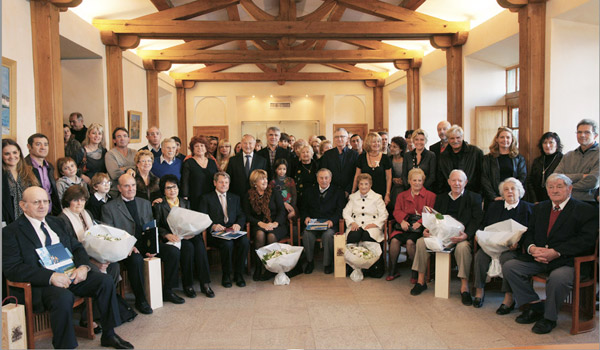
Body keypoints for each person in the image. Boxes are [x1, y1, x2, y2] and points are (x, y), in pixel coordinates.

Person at [3, 186, 132, 349]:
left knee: (104, 281)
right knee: (63, 297)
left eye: (45, 201)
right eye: (36, 202)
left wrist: (83, 267)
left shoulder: (55, 222)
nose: (42, 206)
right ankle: (65, 346)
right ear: (23, 205)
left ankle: (109, 334)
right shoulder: (11, 232)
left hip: (70, 274)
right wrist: (50, 277)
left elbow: (77, 247)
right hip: (41, 284)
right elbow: (12, 268)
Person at [503, 174, 598, 334]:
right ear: (546, 190)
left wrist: (556, 252)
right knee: (510, 266)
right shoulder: (540, 208)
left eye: (559, 186)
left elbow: (586, 241)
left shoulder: (585, 210)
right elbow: (529, 232)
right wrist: (532, 248)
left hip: (569, 260)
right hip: (539, 258)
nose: (555, 190)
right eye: (551, 187)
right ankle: (534, 305)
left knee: (558, 278)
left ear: (570, 189)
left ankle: (549, 318)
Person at [102, 174, 184, 313]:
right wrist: (128, 245)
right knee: (136, 261)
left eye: (133, 185)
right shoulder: (109, 208)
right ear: (119, 188)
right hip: (126, 249)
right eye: (127, 186)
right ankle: (141, 299)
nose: (131, 188)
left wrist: (153, 246)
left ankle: (168, 291)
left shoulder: (144, 203)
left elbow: (152, 227)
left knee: (173, 252)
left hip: (146, 244)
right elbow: (110, 234)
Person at [410, 170, 483, 307]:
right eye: (454, 180)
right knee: (421, 242)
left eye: (460, 181)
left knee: (462, 248)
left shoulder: (474, 198)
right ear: (449, 182)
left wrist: (466, 235)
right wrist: (428, 230)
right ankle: (421, 281)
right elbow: (434, 218)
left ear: (465, 182)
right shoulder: (441, 198)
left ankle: (464, 288)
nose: (457, 183)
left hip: (461, 237)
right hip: (441, 236)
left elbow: (477, 220)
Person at [472, 177, 533, 311]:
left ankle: (508, 296)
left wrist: (519, 243)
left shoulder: (529, 208)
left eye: (513, 189)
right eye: (506, 189)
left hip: (513, 248)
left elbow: (531, 233)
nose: (509, 192)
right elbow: (484, 225)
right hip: (492, 246)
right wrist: (479, 234)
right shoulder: (494, 206)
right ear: (502, 193)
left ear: (520, 191)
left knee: (507, 259)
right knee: (480, 256)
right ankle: (479, 291)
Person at [153, 175, 214, 298]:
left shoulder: (185, 202)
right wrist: (167, 235)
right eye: (168, 188)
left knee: (199, 244)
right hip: (173, 237)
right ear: (163, 190)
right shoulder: (159, 205)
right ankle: (188, 284)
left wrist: (191, 231)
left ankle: (205, 283)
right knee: (188, 248)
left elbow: (190, 220)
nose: (172, 190)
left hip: (188, 233)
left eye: (174, 187)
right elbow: (156, 225)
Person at [199, 172, 249, 288]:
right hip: (216, 233)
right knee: (227, 244)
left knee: (244, 242)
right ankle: (226, 275)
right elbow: (202, 217)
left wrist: (238, 224)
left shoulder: (235, 197)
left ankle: (239, 274)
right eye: (221, 182)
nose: (224, 185)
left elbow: (241, 215)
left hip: (232, 231)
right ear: (215, 183)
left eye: (226, 182)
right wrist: (212, 225)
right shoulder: (206, 198)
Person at [389, 168, 436, 283]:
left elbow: (431, 213)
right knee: (394, 240)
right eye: (414, 180)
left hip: (420, 229)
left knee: (410, 243)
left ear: (423, 181)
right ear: (409, 181)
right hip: (404, 226)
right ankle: (393, 269)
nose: (417, 183)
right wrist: (402, 221)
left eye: (419, 180)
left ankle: (415, 271)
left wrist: (420, 222)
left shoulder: (431, 196)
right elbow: (396, 211)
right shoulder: (401, 195)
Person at [243, 169, 288, 281]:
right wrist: (261, 224)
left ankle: (270, 269)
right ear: (254, 183)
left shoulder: (274, 192)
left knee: (271, 236)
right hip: (258, 224)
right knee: (259, 234)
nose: (265, 181)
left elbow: (282, 211)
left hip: (276, 224)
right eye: (261, 179)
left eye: (265, 178)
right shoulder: (248, 195)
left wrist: (275, 223)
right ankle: (258, 267)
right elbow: (247, 215)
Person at [301, 168, 345, 274]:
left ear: (330, 179)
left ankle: (327, 264)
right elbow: (303, 208)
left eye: (326, 178)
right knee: (306, 234)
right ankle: (310, 262)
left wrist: (332, 221)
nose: (323, 180)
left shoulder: (338, 192)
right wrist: (306, 217)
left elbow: (340, 210)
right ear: (317, 179)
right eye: (321, 178)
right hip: (313, 224)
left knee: (328, 235)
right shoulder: (309, 191)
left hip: (329, 224)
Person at [343, 173, 388, 276]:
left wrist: (375, 224)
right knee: (354, 236)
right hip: (356, 224)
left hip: (372, 226)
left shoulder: (377, 198)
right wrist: (352, 222)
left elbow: (384, 214)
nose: (363, 186)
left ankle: (373, 268)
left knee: (367, 236)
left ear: (370, 185)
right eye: (361, 184)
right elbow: (345, 212)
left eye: (366, 184)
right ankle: (352, 267)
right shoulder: (353, 197)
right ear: (358, 185)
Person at [554, 118, 599, 204]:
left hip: (589, 203)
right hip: (567, 201)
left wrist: (565, 186)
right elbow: (556, 177)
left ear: (595, 135)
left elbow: (593, 182)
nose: (582, 135)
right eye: (579, 132)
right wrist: (581, 176)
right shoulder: (568, 155)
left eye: (587, 132)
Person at [481, 127, 527, 206]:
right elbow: (485, 179)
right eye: (502, 137)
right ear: (497, 139)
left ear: (512, 140)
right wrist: (494, 197)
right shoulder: (487, 158)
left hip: (513, 199)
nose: (505, 140)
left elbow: (522, 177)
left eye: (508, 137)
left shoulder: (519, 158)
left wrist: (511, 194)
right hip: (493, 200)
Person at [436, 125, 484, 194]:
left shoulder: (476, 152)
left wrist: (480, 195)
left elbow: (482, 175)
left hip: (472, 194)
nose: (455, 141)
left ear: (462, 137)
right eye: (452, 138)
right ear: (448, 140)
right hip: (450, 195)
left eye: (458, 138)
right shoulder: (443, 156)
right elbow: (441, 179)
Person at [2, 138, 39, 224]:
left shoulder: (31, 172)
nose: (12, 157)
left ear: (19, 153)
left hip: (30, 220)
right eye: (7, 154)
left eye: (15, 152)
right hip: (7, 223)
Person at [25, 133, 61, 215]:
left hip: (50, 213)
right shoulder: (23, 166)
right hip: (32, 214)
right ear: (29, 147)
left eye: (45, 144)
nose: (43, 147)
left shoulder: (49, 166)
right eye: (38, 144)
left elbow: (52, 193)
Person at [353, 132, 392, 205]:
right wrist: (353, 192)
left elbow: (389, 178)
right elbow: (357, 176)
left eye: (378, 141)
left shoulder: (385, 158)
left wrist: (387, 194)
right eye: (374, 142)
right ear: (368, 143)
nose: (377, 144)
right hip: (364, 192)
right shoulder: (361, 157)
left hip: (381, 193)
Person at [181, 135, 219, 211]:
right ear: (192, 149)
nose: (200, 148)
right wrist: (185, 197)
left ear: (206, 148)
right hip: (195, 197)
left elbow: (216, 179)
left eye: (202, 145)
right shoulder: (188, 163)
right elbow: (185, 182)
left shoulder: (212, 162)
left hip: (211, 197)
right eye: (196, 146)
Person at [318, 128, 358, 197]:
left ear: (347, 139)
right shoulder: (327, 154)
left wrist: (348, 190)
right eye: (337, 137)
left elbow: (355, 174)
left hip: (350, 192)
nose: (339, 139)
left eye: (342, 136)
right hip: (331, 192)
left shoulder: (354, 154)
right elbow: (325, 173)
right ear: (334, 139)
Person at [526, 132, 563, 203]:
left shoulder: (563, 160)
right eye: (545, 143)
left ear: (557, 145)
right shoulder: (537, 161)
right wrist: (534, 200)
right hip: (537, 201)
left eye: (551, 142)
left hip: (556, 200)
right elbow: (530, 182)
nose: (547, 145)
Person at [105, 127, 136, 197]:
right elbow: (114, 174)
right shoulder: (110, 154)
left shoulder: (135, 152)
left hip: (134, 190)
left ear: (129, 139)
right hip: (117, 191)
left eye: (125, 136)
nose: (122, 139)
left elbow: (141, 169)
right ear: (114, 140)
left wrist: (124, 168)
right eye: (119, 136)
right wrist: (131, 170)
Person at [293, 144, 318, 211]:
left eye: (307, 152)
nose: (305, 154)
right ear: (300, 155)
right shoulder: (295, 167)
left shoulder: (317, 166)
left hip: (316, 196)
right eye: (303, 152)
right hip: (301, 197)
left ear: (312, 154)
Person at [388, 136, 407, 212]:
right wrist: (393, 179)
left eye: (394, 147)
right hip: (392, 186)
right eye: (391, 146)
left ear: (401, 149)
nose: (391, 148)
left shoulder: (406, 159)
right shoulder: (388, 159)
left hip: (405, 185)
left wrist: (403, 180)